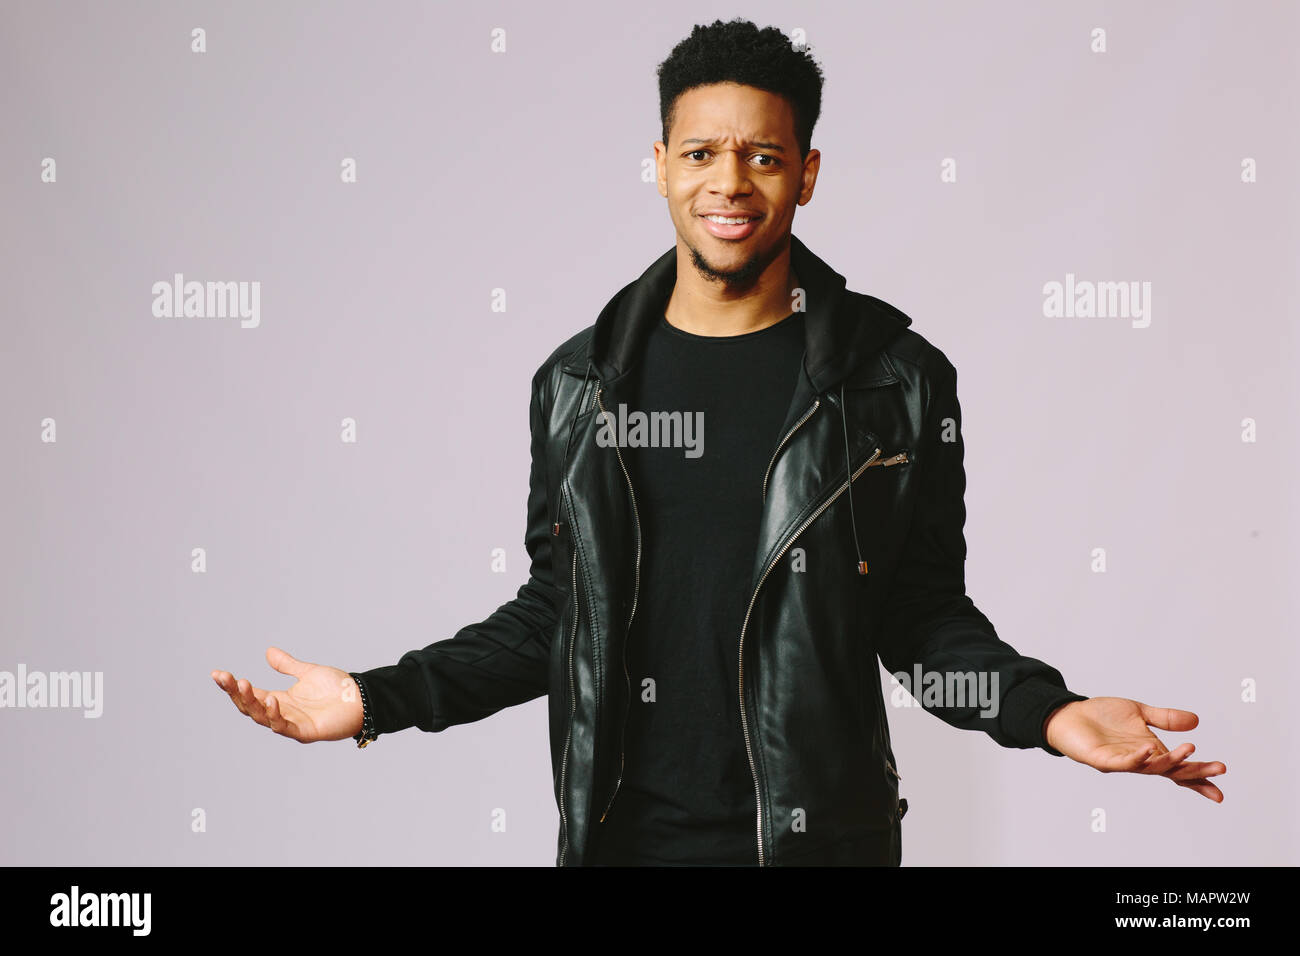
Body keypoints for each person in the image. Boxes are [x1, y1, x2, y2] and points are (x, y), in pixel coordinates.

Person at [211, 18, 1226, 867]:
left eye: (763, 154)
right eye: (700, 152)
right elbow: (558, 611)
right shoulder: (576, 384)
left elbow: (917, 617)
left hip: (816, 847)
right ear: (659, 165)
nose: (729, 182)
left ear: (806, 172)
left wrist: (1043, 711)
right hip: (619, 844)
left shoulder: (896, 379)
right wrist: (376, 698)